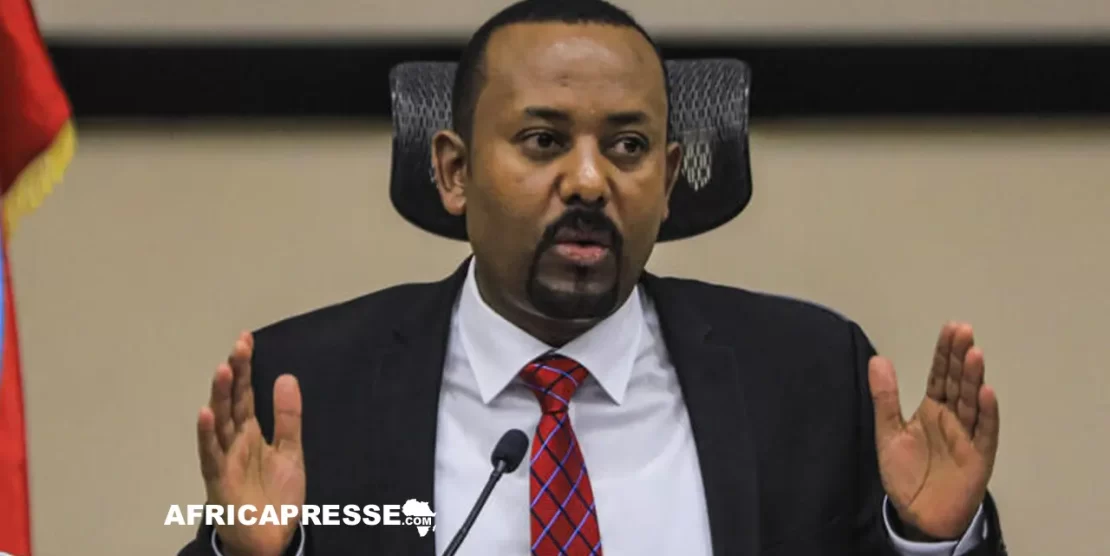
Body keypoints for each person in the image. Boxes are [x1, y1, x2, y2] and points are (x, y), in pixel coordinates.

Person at [179, 1, 1006, 554]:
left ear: (670, 179)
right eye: (543, 141)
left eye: (628, 146)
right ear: (455, 172)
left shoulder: (808, 377)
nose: (587, 181)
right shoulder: (313, 389)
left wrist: (931, 543)